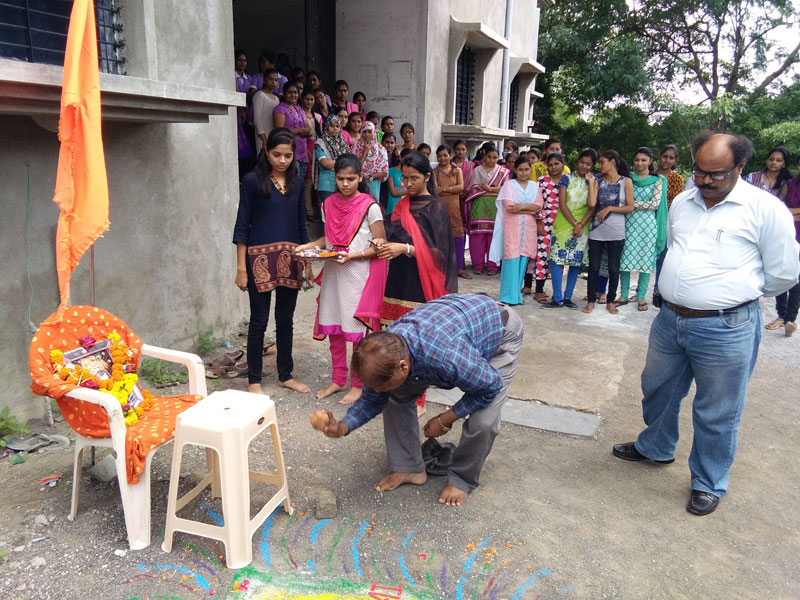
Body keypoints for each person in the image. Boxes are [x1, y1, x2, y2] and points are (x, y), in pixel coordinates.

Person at [612, 131, 800, 515]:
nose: (705, 180)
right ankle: (656, 446)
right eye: (699, 171)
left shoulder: (766, 209)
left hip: (726, 327)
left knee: (717, 409)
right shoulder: (683, 201)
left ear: (740, 167)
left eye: (716, 174)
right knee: (657, 389)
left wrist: (733, 294)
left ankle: (708, 481)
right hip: (670, 320)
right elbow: (674, 248)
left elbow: (784, 273)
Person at [315, 293, 523, 507]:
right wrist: (343, 427)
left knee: (484, 421)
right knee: (395, 394)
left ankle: (462, 479)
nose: (377, 391)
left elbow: (489, 387)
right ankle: (409, 467)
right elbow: (372, 399)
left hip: (499, 332)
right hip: (458, 325)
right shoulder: (384, 352)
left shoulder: (445, 357)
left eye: (381, 386)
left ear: (404, 366)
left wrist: (446, 418)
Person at [295, 154, 387, 405]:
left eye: (351, 178)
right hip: (334, 272)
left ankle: (357, 385)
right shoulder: (328, 203)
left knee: (357, 332)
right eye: (340, 179)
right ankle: (338, 379)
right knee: (334, 327)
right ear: (334, 178)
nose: (345, 184)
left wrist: (354, 256)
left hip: (358, 274)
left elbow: (380, 244)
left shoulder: (370, 206)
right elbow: (329, 240)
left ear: (360, 177)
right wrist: (308, 246)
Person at [233, 128, 312, 395]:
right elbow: (242, 225)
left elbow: (301, 224)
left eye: (288, 155)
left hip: (291, 258)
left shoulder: (297, 182)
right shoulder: (252, 181)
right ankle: (254, 380)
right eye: (277, 154)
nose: (282, 160)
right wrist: (241, 269)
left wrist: (307, 261)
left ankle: (285, 375)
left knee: (285, 320)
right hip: (259, 260)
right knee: (259, 320)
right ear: (267, 152)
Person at [376, 150, 458, 325]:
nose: (408, 184)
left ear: (427, 177)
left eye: (414, 178)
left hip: (422, 279)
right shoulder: (401, 205)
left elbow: (442, 254)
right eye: (405, 178)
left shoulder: (436, 207)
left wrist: (406, 249)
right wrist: (382, 242)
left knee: (418, 329)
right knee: (393, 331)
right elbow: (395, 236)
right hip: (398, 275)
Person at [583, 150, 634, 314]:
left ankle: (610, 301)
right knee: (593, 268)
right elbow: (592, 204)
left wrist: (610, 208)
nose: (599, 166)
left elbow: (630, 207)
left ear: (612, 163)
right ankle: (591, 300)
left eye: (601, 162)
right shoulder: (598, 180)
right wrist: (591, 184)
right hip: (597, 231)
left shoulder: (626, 182)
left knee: (613, 268)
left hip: (616, 232)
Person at [545, 149, 598, 308]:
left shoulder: (594, 181)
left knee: (575, 261)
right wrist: (575, 224)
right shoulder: (566, 178)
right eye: (582, 162)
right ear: (577, 162)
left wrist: (580, 224)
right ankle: (557, 297)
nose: (584, 166)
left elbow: (592, 206)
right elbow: (562, 204)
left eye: (588, 164)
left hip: (583, 225)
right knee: (556, 259)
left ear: (592, 165)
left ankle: (568, 297)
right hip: (563, 223)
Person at [617, 147, 668, 311]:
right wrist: (631, 205)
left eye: (643, 160)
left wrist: (631, 205)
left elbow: (654, 204)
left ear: (651, 161)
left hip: (648, 225)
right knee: (624, 259)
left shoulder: (658, 180)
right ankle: (624, 295)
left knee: (646, 261)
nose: (639, 163)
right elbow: (622, 199)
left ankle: (641, 297)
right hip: (628, 222)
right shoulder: (628, 178)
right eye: (637, 160)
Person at [489, 156, 541, 305]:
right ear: (515, 170)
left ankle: (517, 295)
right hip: (511, 227)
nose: (524, 172)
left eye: (526, 169)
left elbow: (538, 205)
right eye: (520, 170)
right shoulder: (509, 185)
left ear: (530, 170)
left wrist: (521, 207)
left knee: (523, 260)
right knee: (511, 259)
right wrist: (529, 208)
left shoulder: (535, 186)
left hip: (528, 228)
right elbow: (510, 206)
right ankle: (507, 296)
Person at [766, 154, 800, 336]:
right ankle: (781, 315)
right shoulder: (790, 184)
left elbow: (786, 211)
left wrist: (790, 213)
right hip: (787, 234)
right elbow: (781, 209)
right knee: (782, 272)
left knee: (797, 278)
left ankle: (790, 319)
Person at [464, 144, 510, 275]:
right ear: (484, 156)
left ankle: (492, 266)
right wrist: (493, 190)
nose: (492, 160)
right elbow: (473, 188)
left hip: (495, 208)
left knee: (494, 236)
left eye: (495, 157)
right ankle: (477, 265)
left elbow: (505, 189)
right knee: (478, 237)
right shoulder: (477, 170)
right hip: (479, 207)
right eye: (489, 157)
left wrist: (488, 189)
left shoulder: (502, 172)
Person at [531, 152, 569, 303]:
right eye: (550, 165)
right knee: (542, 256)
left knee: (559, 258)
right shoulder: (542, 181)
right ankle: (539, 290)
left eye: (556, 164)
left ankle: (557, 292)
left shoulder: (568, 180)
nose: (553, 167)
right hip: (545, 223)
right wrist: (538, 222)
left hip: (563, 225)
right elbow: (537, 203)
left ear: (563, 164)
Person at [653, 144, 685, 295]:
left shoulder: (677, 179)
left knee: (662, 256)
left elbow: (676, 201)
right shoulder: (651, 175)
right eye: (665, 156)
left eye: (671, 158)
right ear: (660, 157)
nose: (667, 160)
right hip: (647, 218)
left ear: (675, 160)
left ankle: (657, 290)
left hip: (666, 221)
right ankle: (639, 292)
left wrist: (659, 206)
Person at [433, 145, 468, 279]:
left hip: (454, 207)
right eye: (439, 156)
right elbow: (435, 190)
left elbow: (461, 187)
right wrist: (451, 189)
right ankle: (442, 267)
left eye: (445, 155)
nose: (442, 158)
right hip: (440, 207)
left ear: (450, 155)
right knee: (440, 235)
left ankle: (459, 267)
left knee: (458, 235)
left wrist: (444, 189)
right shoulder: (434, 172)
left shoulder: (456, 170)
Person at [273, 82, 312, 180]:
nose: (293, 95)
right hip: (289, 152)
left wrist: (308, 131)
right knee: (292, 183)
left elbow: (308, 128)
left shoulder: (299, 109)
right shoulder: (280, 109)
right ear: (284, 94)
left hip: (303, 153)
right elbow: (279, 131)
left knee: (301, 183)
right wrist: (299, 131)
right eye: (289, 92)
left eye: (295, 92)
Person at [314, 113, 350, 212]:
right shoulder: (320, 143)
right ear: (327, 126)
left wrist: (335, 163)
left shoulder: (343, 143)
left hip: (343, 185)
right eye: (332, 126)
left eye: (337, 126)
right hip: (327, 186)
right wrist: (343, 162)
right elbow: (325, 163)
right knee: (329, 215)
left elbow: (351, 161)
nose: (335, 129)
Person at [353, 121, 389, 201]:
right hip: (358, 183)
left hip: (374, 183)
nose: (367, 134)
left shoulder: (381, 150)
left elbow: (384, 171)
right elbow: (355, 168)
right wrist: (364, 153)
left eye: (369, 131)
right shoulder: (355, 148)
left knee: (372, 205)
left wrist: (369, 177)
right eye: (364, 132)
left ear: (373, 133)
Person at [235, 50, 255, 180]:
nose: (243, 63)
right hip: (237, 110)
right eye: (240, 60)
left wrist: (247, 110)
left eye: (245, 61)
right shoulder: (231, 76)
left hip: (247, 111)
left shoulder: (249, 78)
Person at [252, 69, 280, 156]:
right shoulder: (259, 95)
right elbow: (257, 119)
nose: (273, 82)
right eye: (270, 79)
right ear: (264, 80)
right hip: (262, 136)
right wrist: (263, 138)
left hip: (273, 136)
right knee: (263, 159)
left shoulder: (276, 99)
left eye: (275, 80)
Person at [384, 142, 407, 217]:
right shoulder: (391, 171)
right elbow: (393, 192)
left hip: (406, 209)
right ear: (400, 157)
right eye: (405, 158)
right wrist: (409, 191)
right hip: (393, 208)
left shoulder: (409, 173)